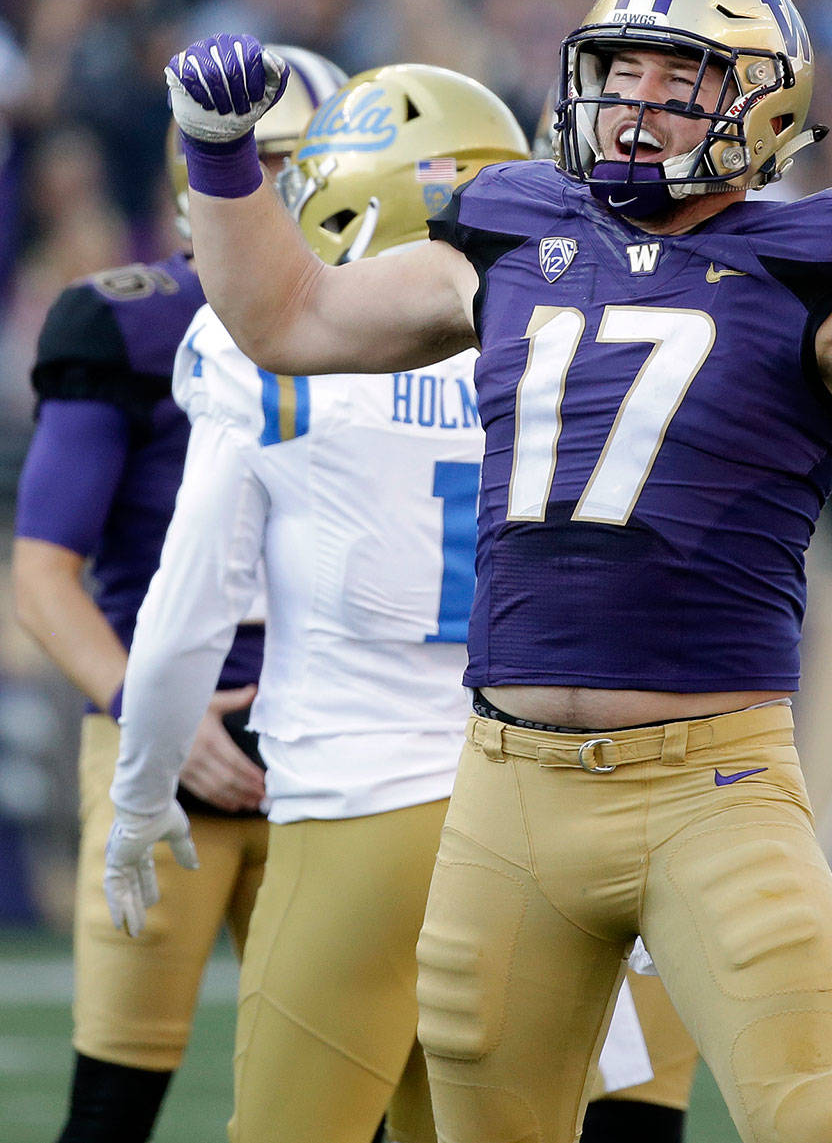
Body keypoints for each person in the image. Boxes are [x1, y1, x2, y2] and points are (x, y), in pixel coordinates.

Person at [137, 0, 832, 1143]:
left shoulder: (816, 266)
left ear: (762, 101)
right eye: (617, 73)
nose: (634, 105)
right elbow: (289, 316)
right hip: (506, 793)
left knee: (817, 1122)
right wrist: (222, 163)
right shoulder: (511, 226)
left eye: (675, 79)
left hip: (713, 789)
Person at [104, 64, 698, 1143]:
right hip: (526, 817)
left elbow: (187, 610)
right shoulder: (567, 341)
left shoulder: (262, 355)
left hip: (355, 815)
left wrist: (141, 791)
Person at [11, 43, 346, 1143]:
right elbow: (42, 570)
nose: (291, 192)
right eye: (268, 162)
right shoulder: (134, 322)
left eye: (310, 162)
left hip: (344, 751)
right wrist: (145, 713)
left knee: (354, 1102)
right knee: (113, 1103)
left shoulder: (403, 333)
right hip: (163, 746)